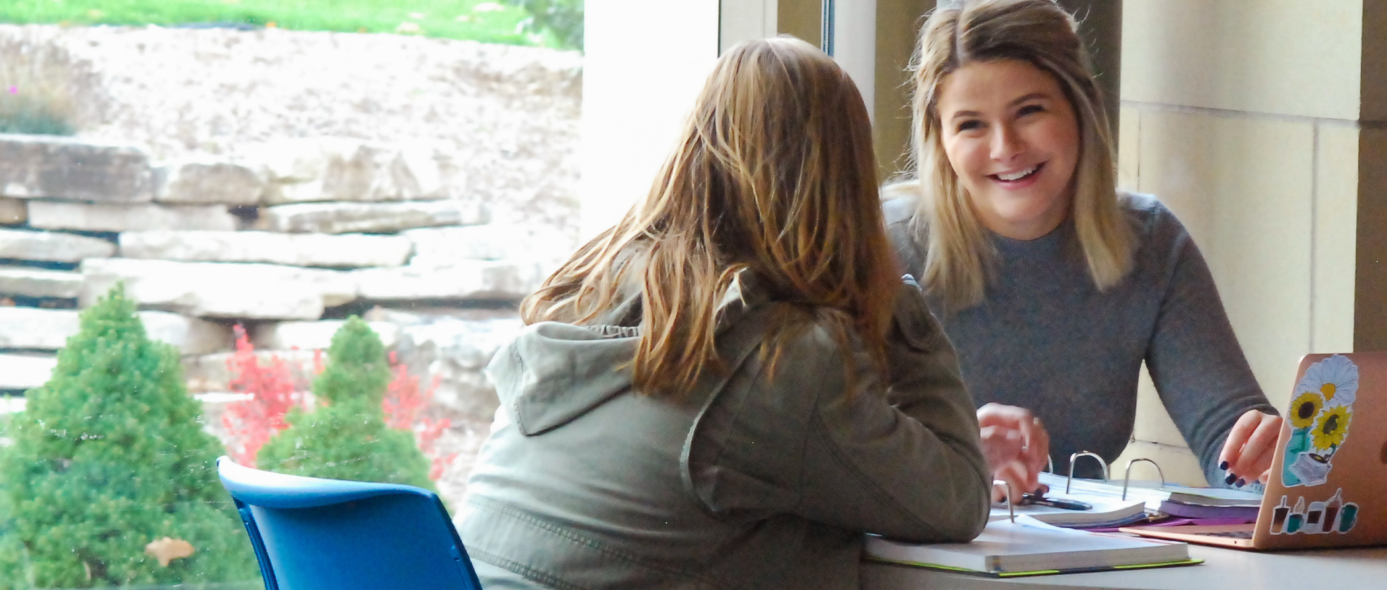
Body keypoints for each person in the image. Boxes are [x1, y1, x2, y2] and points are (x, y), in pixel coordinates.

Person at [454, 37, 988, 589]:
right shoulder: (785, 364)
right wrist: (892, 300)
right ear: (845, 182)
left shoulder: (592, 286)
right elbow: (957, 500)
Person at [883, 0, 1284, 494]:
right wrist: (945, 462)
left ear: (1082, 108)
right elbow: (832, 458)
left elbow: (1230, 441)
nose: (1005, 146)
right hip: (915, 559)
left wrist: (1272, 470)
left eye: (1029, 111)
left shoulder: (1150, 240)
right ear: (938, 138)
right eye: (971, 124)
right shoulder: (882, 245)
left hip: (1089, 561)